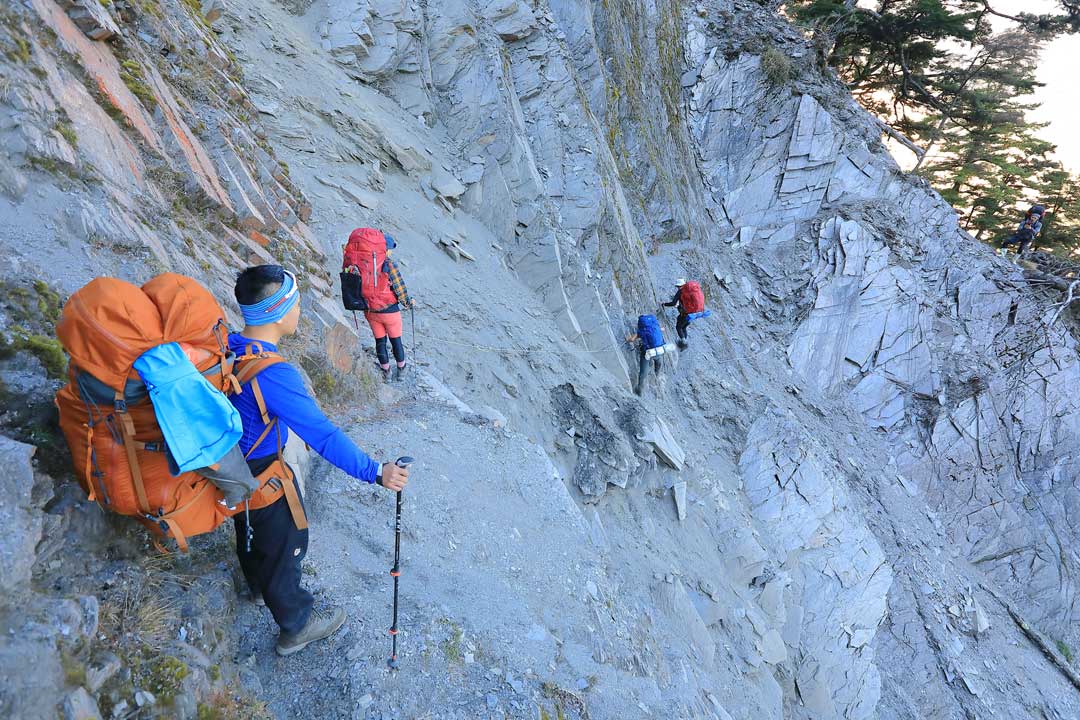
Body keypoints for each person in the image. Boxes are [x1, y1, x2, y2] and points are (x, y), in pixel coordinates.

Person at [229, 264, 410, 656]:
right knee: (288, 540)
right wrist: (377, 472)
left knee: (247, 528)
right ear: (277, 313)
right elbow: (323, 435)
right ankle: (295, 625)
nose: (299, 310)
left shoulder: (230, 345)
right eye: (294, 302)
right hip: (265, 473)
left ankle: (256, 587)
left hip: (231, 470)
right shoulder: (274, 375)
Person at [342, 228, 414, 382]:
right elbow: (399, 288)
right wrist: (408, 303)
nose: (391, 253)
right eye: (390, 250)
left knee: (380, 342)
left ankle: (386, 372)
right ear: (385, 249)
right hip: (390, 311)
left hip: (370, 310)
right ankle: (401, 370)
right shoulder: (389, 264)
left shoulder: (365, 263)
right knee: (396, 340)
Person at [627, 314, 666, 396]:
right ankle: (657, 373)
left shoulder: (641, 331)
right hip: (659, 351)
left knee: (643, 372)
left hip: (648, 353)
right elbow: (663, 329)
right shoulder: (656, 327)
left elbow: (631, 340)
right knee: (658, 360)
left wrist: (628, 338)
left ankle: (639, 388)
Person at [662, 279, 706, 349]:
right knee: (684, 327)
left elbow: (673, 303)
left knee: (678, 327)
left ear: (679, 286)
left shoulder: (680, 292)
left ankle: (684, 342)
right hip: (693, 314)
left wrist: (664, 304)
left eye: (677, 286)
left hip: (685, 313)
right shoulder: (692, 291)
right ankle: (684, 341)